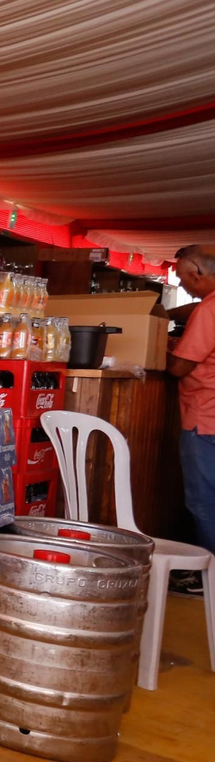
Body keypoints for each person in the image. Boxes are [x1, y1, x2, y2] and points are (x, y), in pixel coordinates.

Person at [169, 244, 215, 593]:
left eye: (182, 278)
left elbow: (181, 367)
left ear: (196, 275)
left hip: (205, 418)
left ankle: (208, 578)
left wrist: (161, 348)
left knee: (204, 502)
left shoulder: (209, 310)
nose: (181, 284)